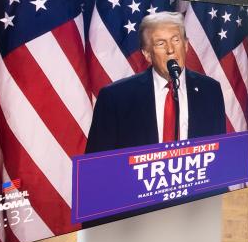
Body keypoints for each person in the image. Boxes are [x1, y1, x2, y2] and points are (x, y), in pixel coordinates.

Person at [85, 11, 226, 154]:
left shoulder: (210, 91)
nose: (171, 50)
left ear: (186, 45)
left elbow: (218, 153)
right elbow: (96, 165)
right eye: (161, 43)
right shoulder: (115, 98)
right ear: (147, 54)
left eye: (176, 40)